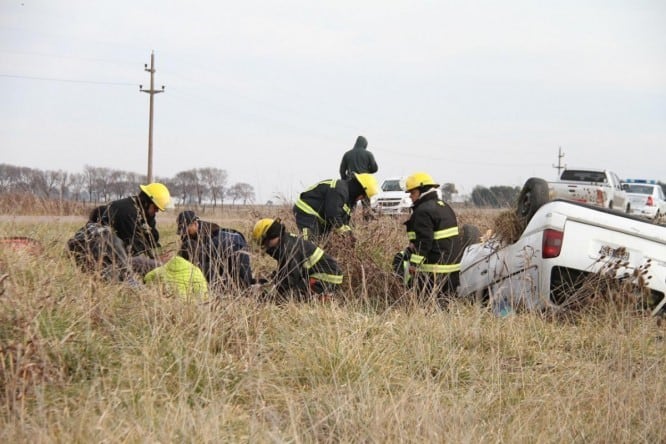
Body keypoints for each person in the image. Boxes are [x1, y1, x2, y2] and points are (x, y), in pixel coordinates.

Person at [66, 183, 172, 281]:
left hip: (109, 253)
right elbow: (135, 248)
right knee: (150, 266)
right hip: (97, 253)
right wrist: (157, 261)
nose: (157, 211)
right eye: (155, 208)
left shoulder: (145, 213)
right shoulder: (127, 213)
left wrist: (158, 254)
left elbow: (152, 238)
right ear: (146, 202)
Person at [399, 172, 463, 304]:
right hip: (453, 271)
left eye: (412, 193)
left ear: (422, 190)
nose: (410, 197)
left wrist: (413, 264)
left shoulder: (423, 211)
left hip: (434, 272)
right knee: (446, 307)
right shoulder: (445, 206)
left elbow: (424, 242)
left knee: (426, 306)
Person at [251, 218, 343, 299]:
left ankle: (324, 297)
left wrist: (267, 296)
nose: (265, 247)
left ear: (271, 236)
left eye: (264, 243)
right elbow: (285, 271)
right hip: (320, 274)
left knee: (288, 297)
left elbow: (289, 278)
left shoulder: (288, 248)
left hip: (327, 278)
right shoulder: (285, 240)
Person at [176, 210, 254, 290]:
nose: (185, 233)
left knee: (243, 287)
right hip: (222, 261)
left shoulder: (214, 234)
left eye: (187, 230)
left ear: (195, 224)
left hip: (235, 254)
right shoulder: (188, 236)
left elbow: (200, 257)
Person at [292, 173, 379, 242]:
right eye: (363, 196)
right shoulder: (339, 189)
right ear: (359, 189)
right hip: (307, 212)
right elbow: (333, 214)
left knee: (322, 245)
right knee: (310, 245)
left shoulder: (349, 200)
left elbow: (343, 221)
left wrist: (349, 234)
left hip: (320, 218)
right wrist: (344, 233)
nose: (362, 199)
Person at [144, 238, 209, 303]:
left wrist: (154, 290)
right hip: (187, 307)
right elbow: (202, 296)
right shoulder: (195, 270)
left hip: (166, 305)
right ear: (196, 255)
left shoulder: (164, 267)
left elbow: (147, 277)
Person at [339, 135, 379, 218]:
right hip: (365, 183)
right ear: (365, 145)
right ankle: (367, 224)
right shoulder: (368, 154)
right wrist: (367, 172)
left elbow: (342, 170)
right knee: (366, 205)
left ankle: (350, 221)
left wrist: (345, 181)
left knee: (351, 205)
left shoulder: (347, 154)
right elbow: (375, 168)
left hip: (351, 183)